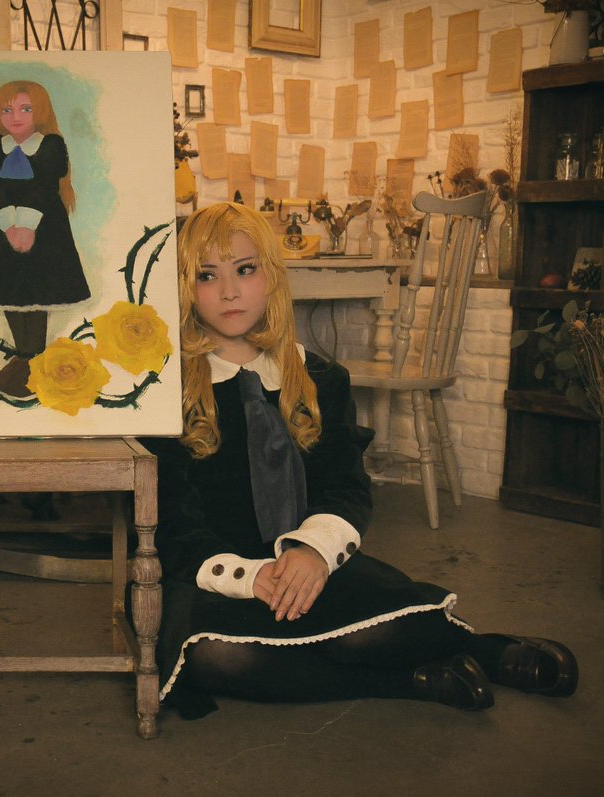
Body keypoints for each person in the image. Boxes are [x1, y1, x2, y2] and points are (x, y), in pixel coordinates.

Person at [141, 202, 578, 720]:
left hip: (305, 563)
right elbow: (172, 519)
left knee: (370, 630)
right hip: (213, 577)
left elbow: (344, 488)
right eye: (207, 275)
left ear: (271, 276)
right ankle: (410, 682)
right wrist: (248, 577)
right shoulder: (166, 393)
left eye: (245, 269)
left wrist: (311, 552)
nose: (229, 291)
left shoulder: (320, 379)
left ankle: (485, 651)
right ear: (185, 287)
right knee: (220, 657)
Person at [0, 80, 90, 397]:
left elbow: (44, 186)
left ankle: (32, 362)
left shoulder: (51, 145)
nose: (15, 116)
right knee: (10, 293)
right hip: (1, 228)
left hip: (44, 230)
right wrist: (9, 225)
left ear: (41, 111)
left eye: (25, 109)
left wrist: (28, 226)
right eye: (7, 110)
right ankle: (24, 359)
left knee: (36, 292)